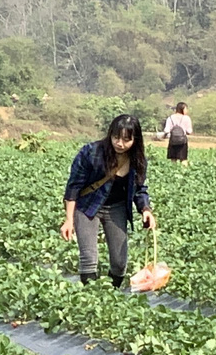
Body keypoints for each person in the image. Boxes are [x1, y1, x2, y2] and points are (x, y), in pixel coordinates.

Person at [59, 114, 155, 289]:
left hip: (116, 208)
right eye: (116, 137)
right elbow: (73, 187)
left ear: (135, 139)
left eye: (126, 139)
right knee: (89, 259)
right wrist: (69, 220)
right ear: (110, 134)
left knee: (119, 263)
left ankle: (110, 299)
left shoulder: (137, 160)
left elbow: (140, 189)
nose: (120, 143)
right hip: (87, 207)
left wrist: (146, 210)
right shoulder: (91, 152)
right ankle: (90, 301)